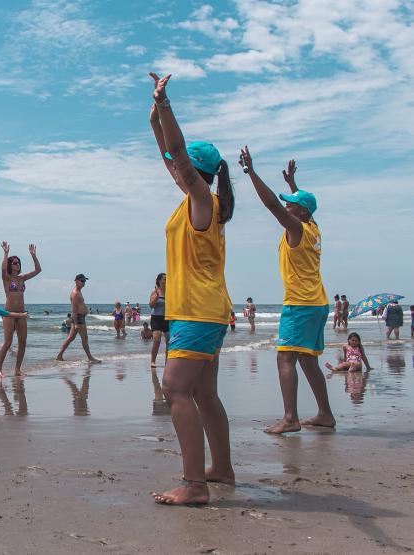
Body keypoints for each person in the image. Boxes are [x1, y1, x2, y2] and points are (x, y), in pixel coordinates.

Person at [148, 72, 235, 505]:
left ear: (195, 172)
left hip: (199, 313)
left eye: (182, 166)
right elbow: (171, 155)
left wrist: (166, 107)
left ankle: (194, 484)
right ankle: (220, 468)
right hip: (202, 311)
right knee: (204, 392)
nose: (174, 169)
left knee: (175, 389)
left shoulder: (203, 199)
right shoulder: (192, 197)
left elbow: (177, 155)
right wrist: (153, 118)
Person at [240, 149, 336, 435]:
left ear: (301, 212)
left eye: (293, 205)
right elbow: (302, 206)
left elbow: (272, 204)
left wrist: (251, 172)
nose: (288, 207)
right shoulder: (313, 228)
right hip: (317, 302)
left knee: (285, 358)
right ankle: (325, 414)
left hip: (300, 303)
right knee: (307, 359)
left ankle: (290, 418)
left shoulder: (297, 228)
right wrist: (294, 185)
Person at [0, 242, 42, 376]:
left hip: (21, 313)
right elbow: (3, 269)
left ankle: (17, 369)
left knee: (22, 342)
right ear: (10, 265)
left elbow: (38, 270)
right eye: (15, 263)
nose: (17, 264)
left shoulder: (22, 278)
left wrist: (33, 255)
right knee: (8, 342)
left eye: (18, 263)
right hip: (9, 313)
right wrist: (5, 254)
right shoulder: (6, 278)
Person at [55, 275, 101, 363]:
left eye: (84, 281)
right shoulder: (75, 293)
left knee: (70, 338)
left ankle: (59, 355)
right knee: (84, 338)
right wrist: (76, 323)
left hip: (79, 318)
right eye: (82, 281)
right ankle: (90, 358)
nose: (84, 283)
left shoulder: (79, 291)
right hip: (78, 318)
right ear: (76, 281)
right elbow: (74, 310)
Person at [149, 273, 169, 367]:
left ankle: (167, 362)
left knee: (169, 341)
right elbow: (151, 305)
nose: (166, 280)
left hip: (167, 318)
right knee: (157, 340)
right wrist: (157, 297)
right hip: (156, 318)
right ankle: (153, 361)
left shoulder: (170, 292)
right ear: (159, 281)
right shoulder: (155, 292)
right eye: (164, 279)